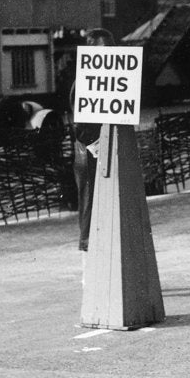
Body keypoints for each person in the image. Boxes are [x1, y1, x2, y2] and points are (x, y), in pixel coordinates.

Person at [71, 28, 114, 273]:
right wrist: (97, 147)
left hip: (107, 149)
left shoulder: (113, 78)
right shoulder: (84, 81)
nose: (108, 54)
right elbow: (80, 126)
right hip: (89, 153)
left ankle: (109, 267)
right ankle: (89, 270)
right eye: (103, 49)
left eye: (111, 48)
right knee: (89, 205)